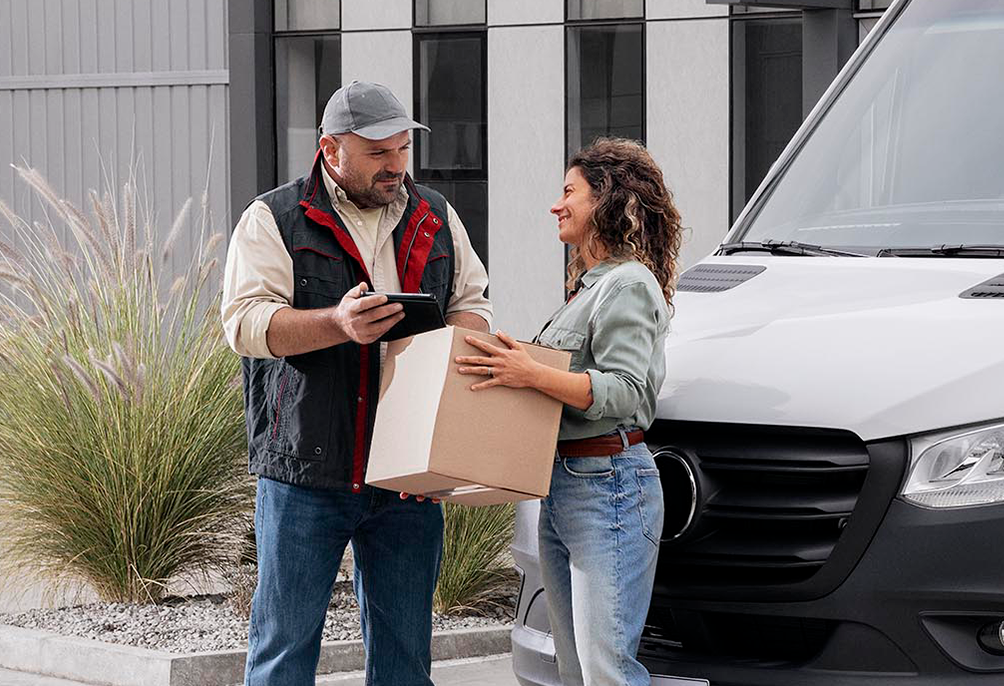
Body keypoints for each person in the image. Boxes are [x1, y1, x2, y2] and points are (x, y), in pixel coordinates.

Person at [221, 80, 492, 686]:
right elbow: (245, 324)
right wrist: (338, 323)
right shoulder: (273, 218)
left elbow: (474, 302)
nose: (395, 165)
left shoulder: (436, 216)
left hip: (408, 475)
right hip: (305, 473)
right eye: (378, 153)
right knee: (283, 655)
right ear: (331, 149)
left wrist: (452, 336)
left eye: (401, 149)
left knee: (405, 660)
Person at [453, 137, 683, 686]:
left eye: (568, 192)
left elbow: (626, 392)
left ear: (606, 199)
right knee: (576, 672)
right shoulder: (588, 290)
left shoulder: (629, 284)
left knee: (608, 669)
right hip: (563, 486)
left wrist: (530, 372)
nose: (556, 206)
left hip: (609, 488)